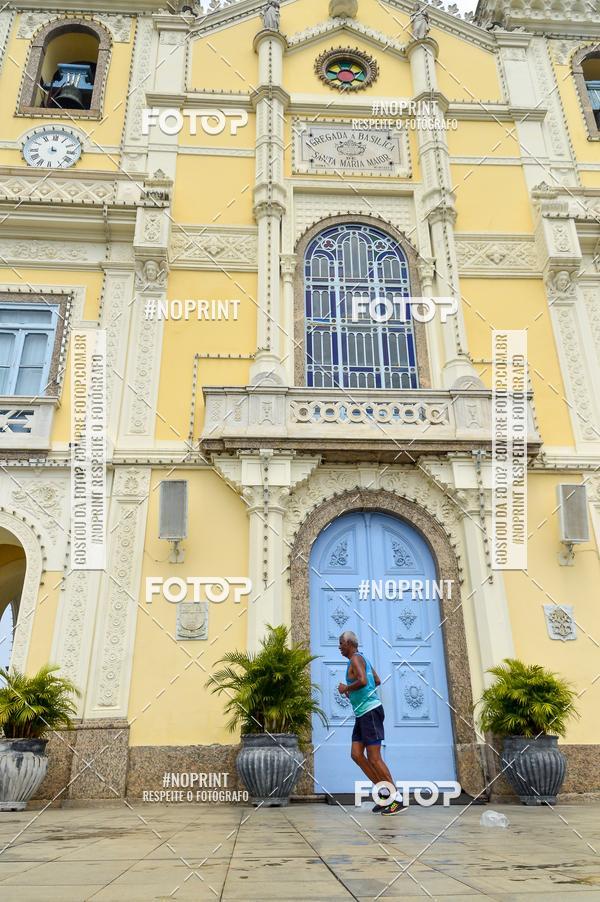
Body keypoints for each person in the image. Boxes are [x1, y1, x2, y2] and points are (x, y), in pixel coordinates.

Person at [337, 630, 404, 815]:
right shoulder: (362, 658)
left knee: (374, 758)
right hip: (362, 714)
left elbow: (364, 680)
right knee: (356, 754)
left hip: (370, 713)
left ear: (349, 643)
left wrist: (346, 688)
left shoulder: (355, 659)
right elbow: (377, 680)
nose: (339, 647)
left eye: (341, 643)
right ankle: (385, 794)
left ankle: (397, 799)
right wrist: (354, 693)